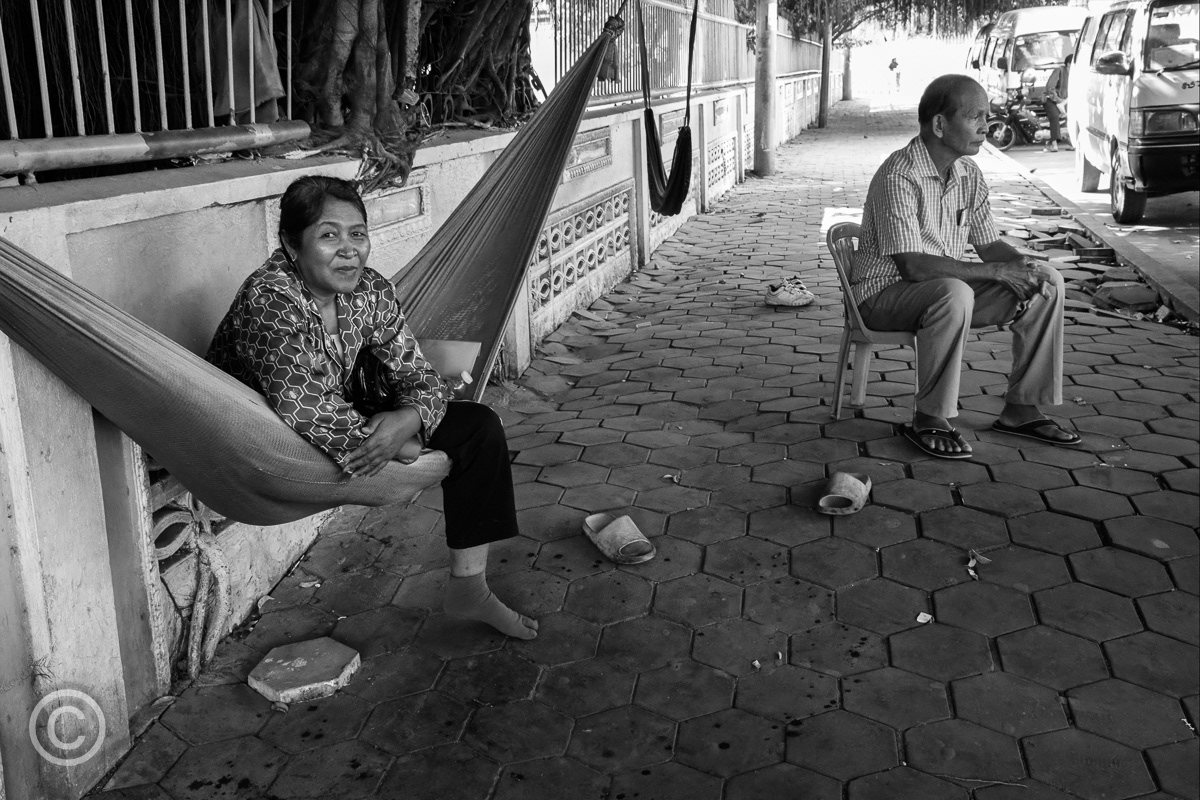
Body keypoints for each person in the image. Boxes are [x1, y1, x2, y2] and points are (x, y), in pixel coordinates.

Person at [207, 175, 537, 639]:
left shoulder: (370, 290)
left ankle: (470, 589)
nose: (349, 250)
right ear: (290, 243)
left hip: (341, 404)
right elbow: (300, 406)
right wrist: (388, 442)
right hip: (268, 437)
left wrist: (411, 420)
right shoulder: (269, 300)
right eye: (328, 235)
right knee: (393, 429)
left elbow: (417, 372)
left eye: (357, 233)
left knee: (479, 428)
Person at [849, 74, 1080, 459]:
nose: (985, 127)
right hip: (881, 296)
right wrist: (996, 273)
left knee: (1048, 282)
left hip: (943, 294)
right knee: (953, 291)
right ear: (940, 125)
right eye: (975, 117)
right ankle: (930, 417)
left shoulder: (968, 174)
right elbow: (914, 268)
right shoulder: (898, 175)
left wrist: (1025, 265)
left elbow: (988, 245)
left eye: (987, 116)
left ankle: (1021, 407)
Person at [1041, 55, 1072, 153]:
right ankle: (1054, 144)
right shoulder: (1059, 71)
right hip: (1050, 99)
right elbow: (1050, 88)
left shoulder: (1075, 74)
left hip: (1063, 101)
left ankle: (1072, 142)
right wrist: (1059, 101)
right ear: (1068, 64)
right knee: (1054, 117)